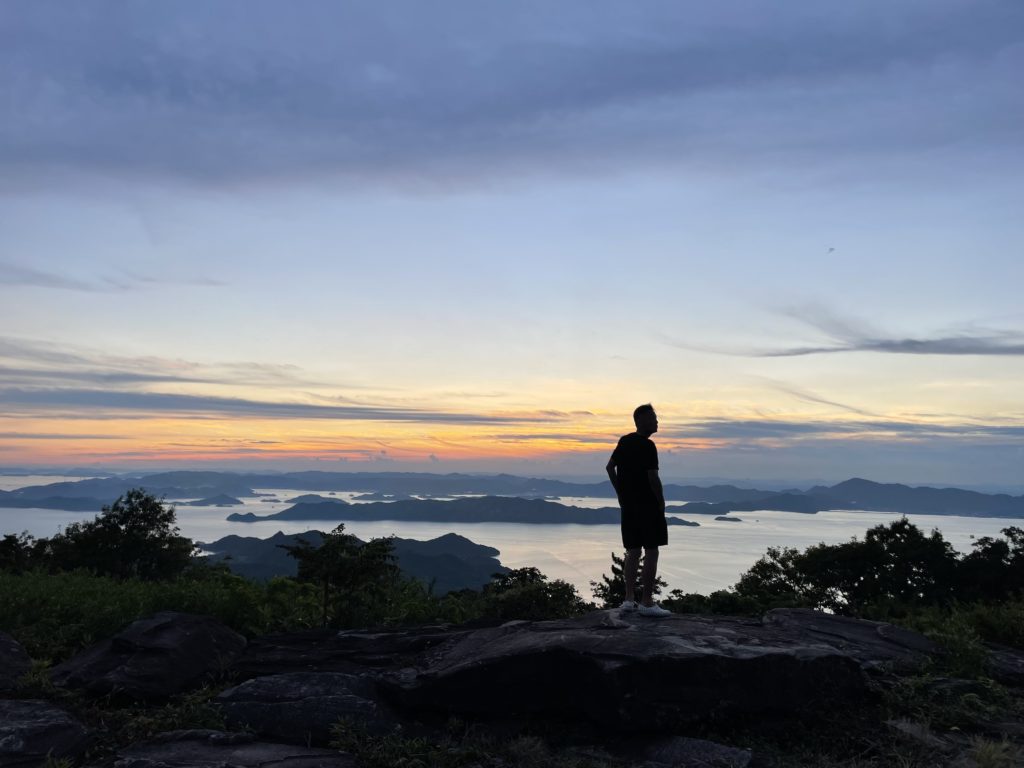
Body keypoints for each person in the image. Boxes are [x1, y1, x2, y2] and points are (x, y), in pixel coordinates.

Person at [606, 403, 671, 617]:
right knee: (651, 551)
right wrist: (661, 502)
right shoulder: (648, 446)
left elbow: (610, 467)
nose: (657, 421)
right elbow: (653, 477)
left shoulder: (624, 441)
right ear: (641, 420)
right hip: (648, 505)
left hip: (629, 506)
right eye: (653, 418)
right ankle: (647, 602)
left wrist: (620, 493)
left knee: (633, 551)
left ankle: (628, 599)